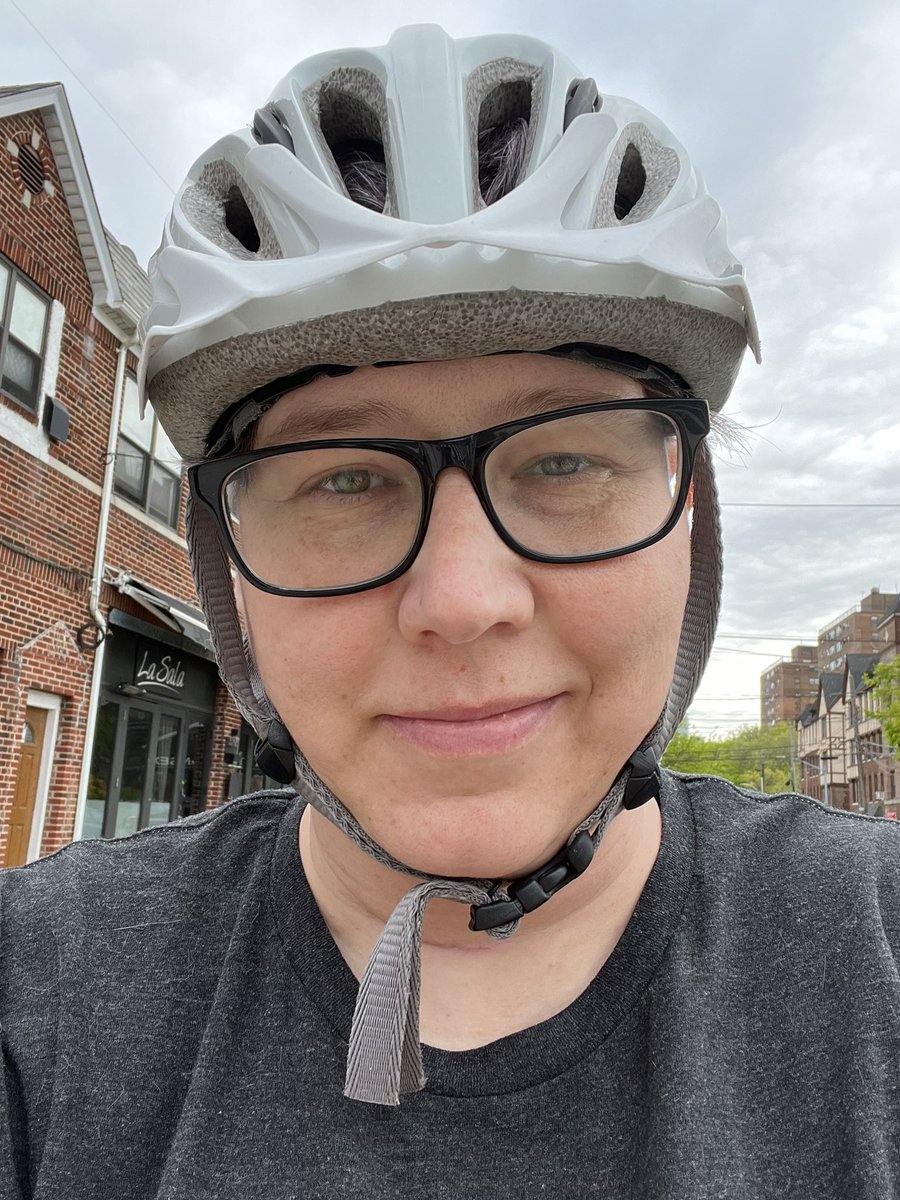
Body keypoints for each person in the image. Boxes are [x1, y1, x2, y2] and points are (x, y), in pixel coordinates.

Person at [2, 24, 898, 1199]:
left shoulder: (874, 949)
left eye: (569, 464)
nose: (465, 603)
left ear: (695, 522)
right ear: (224, 562)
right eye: (346, 478)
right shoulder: (40, 997)